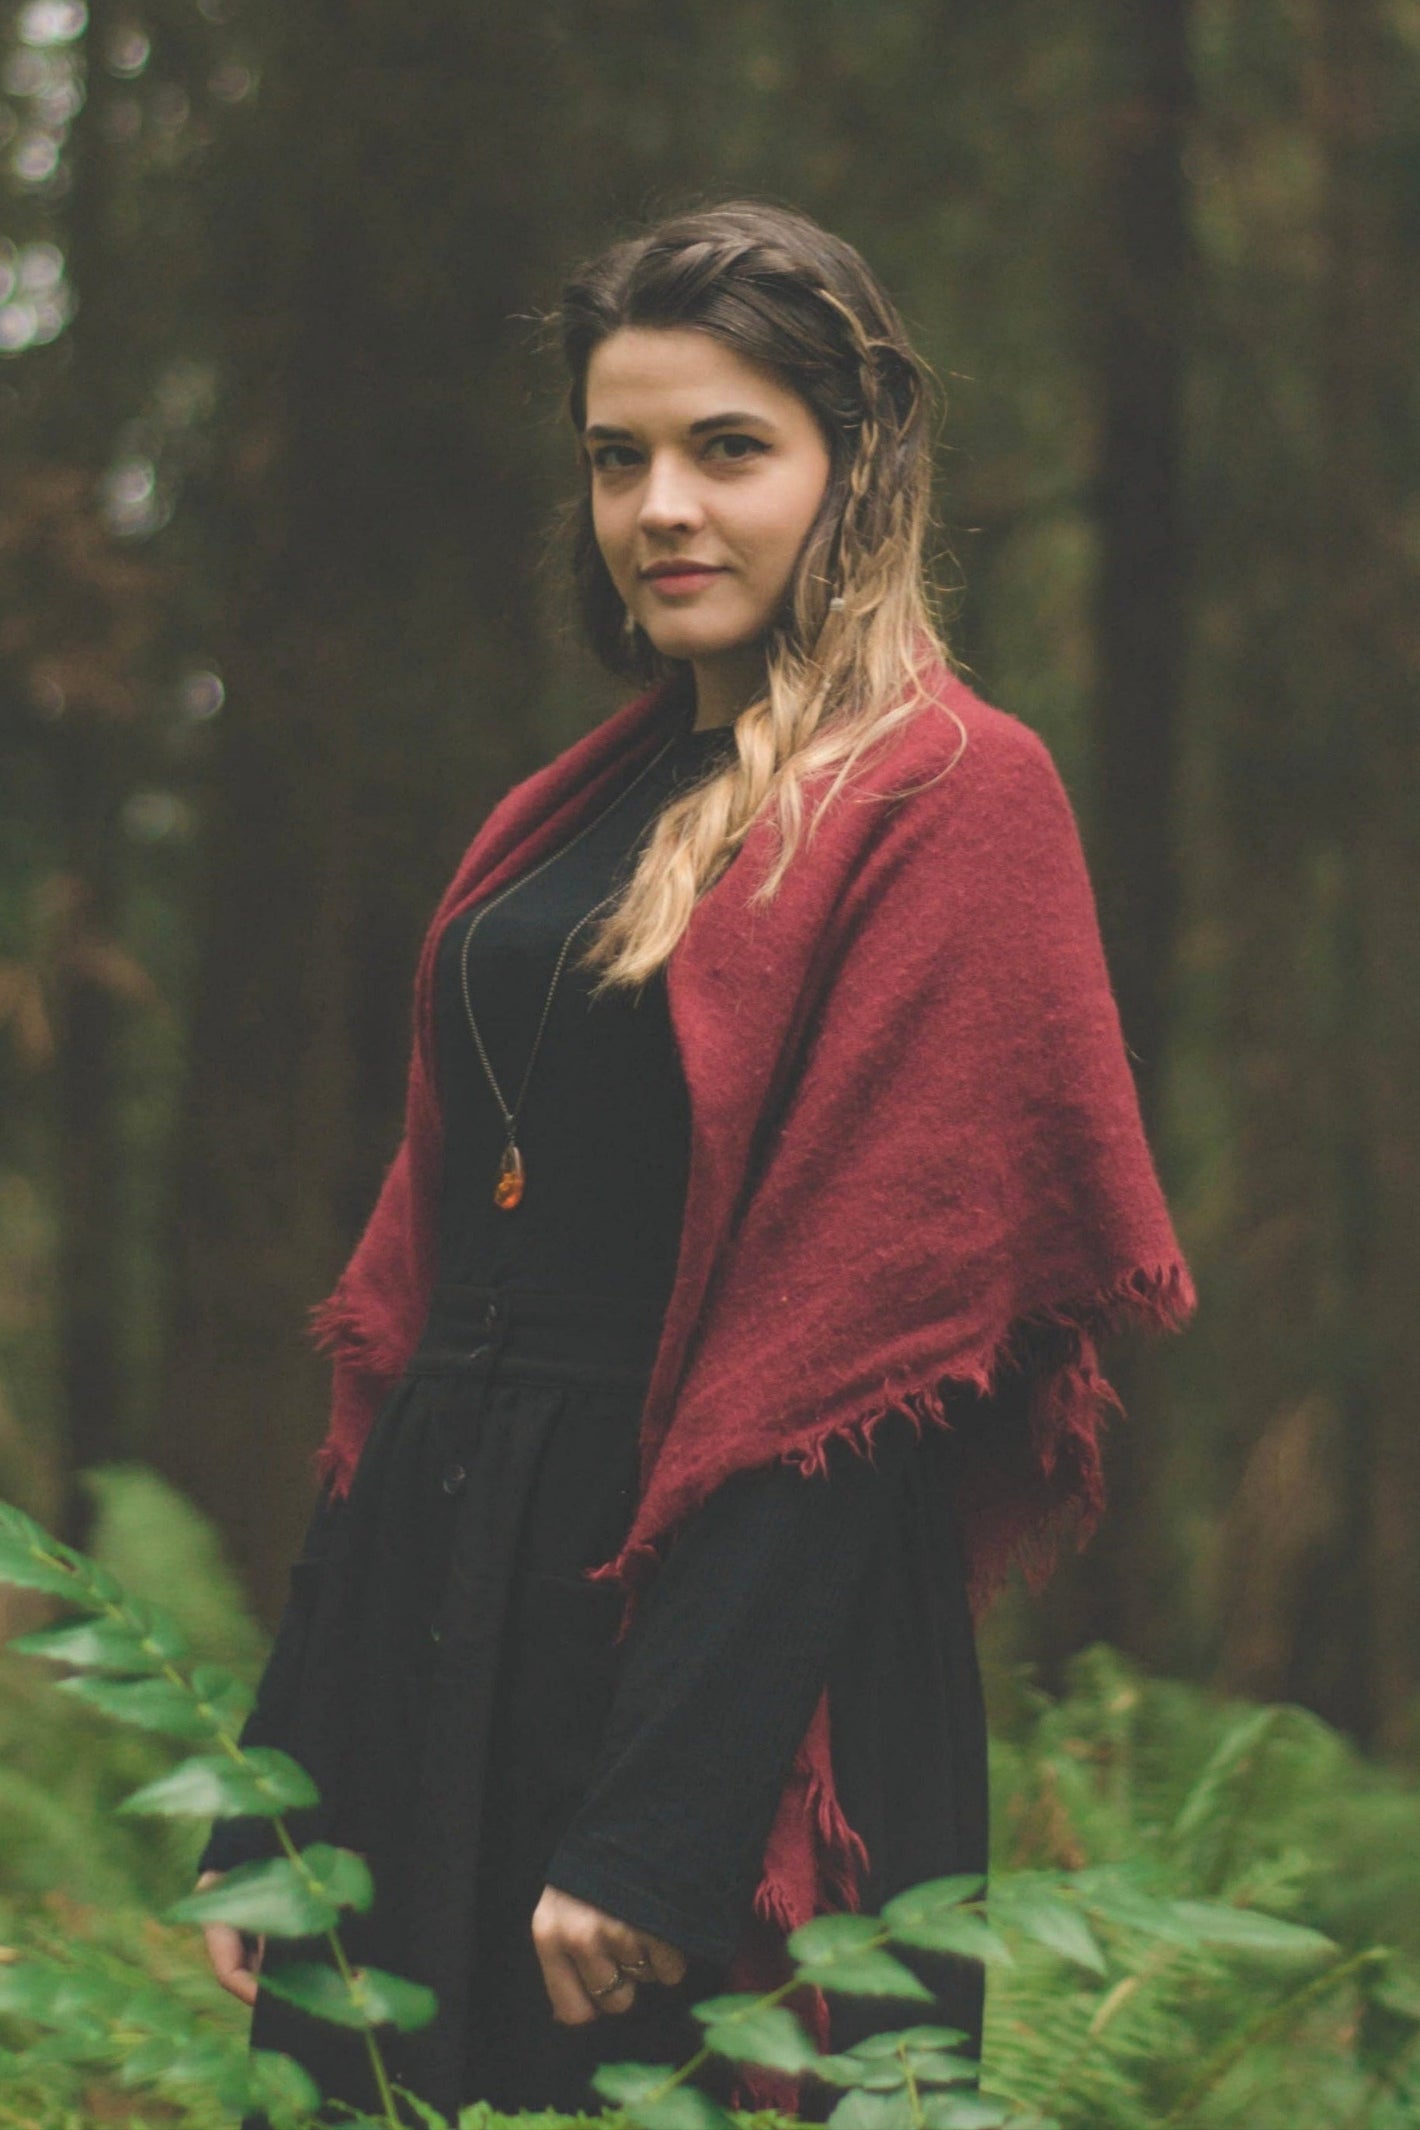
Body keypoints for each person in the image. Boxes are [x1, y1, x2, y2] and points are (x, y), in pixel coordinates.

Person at [193, 198, 1195, 2127]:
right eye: (617, 455)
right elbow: (421, 1322)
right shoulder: (571, 805)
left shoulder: (954, 798)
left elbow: (839, 1373)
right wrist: (285, 1761)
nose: (662, 503)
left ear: (859, 462)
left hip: (732, 1677)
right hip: (451, 1610)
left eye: (728, 449)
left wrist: (667, 1820)